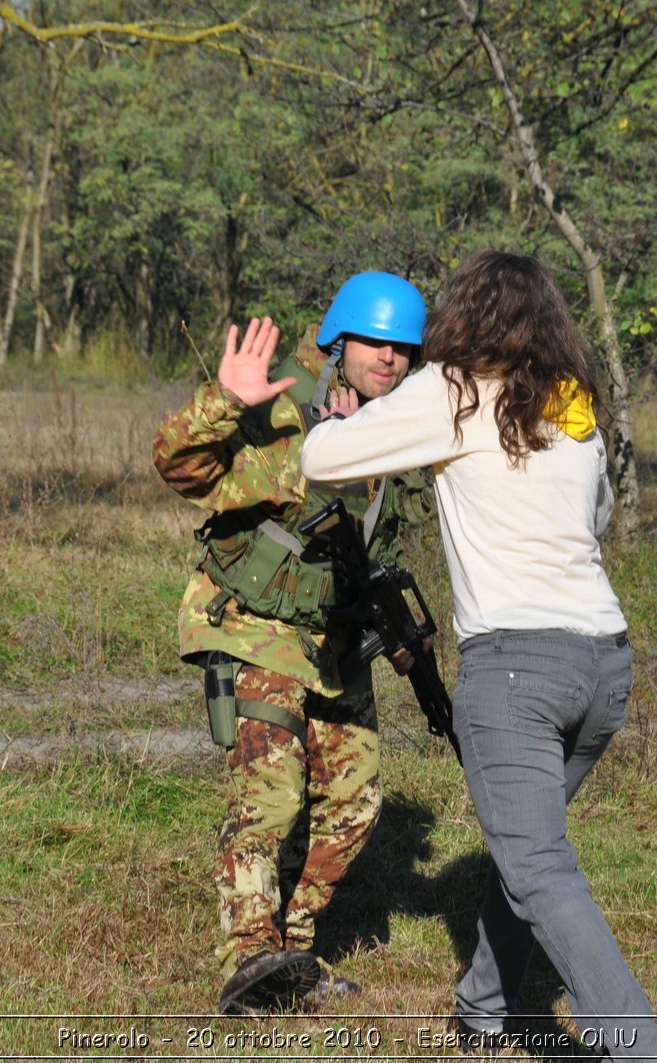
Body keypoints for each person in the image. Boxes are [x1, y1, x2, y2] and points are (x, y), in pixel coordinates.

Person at [300, 251, 657, 1060]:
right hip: (605, 663)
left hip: (515, 669)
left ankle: (642, 1050)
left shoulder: (452, 389)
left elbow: (321, 463)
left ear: (460, 317)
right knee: (525, 845)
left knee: (539, 868)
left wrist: (334, 424)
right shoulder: (572, 404)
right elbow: (598, 515)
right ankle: (484, 1008)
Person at [151, 272, 429, 1015]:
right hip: (255, 627)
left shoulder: (398, 433)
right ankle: (249, 956)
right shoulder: (278, 405)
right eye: (376, 342)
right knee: (270, 794)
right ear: (341, 340)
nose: (390, 359)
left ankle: (292, 949)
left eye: (404, 348)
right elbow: (176, 464)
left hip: (335, 644)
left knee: (356, 798)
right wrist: (224, 401)